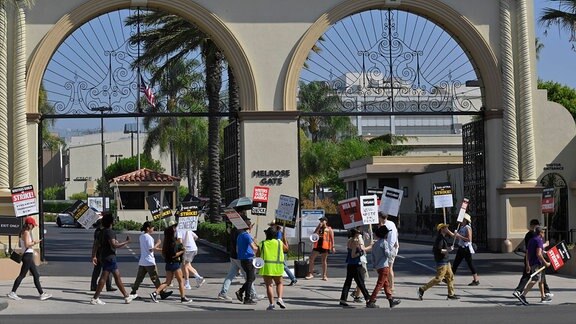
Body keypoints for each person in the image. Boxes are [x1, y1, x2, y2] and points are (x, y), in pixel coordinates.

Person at [90, 213, 135, 305]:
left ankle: (126, 296)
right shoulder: (110, 232)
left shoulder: (101, 231)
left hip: (103, 256)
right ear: (111, 222)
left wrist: (94, 256)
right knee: (104, 277)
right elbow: (114, 245)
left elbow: (96, 244)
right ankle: (95, 298)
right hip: (110, 257)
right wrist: (127, 242)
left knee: (116, 276)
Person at [7, 217, 52, 301]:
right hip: (27, 256)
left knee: (36, 275)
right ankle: (12, 292)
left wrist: (33, 243)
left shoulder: (23, 232)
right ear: (29, 225)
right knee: (22, 275)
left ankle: (42, 294)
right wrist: (35, 242)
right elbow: (27, 244)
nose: (33, 227)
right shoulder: (26, 232)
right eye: (33, 225)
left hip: (28, 255)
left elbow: (23, 245)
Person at [218, 216, 261, 301]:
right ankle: (252, 294)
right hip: (241, 257)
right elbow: (249, 246)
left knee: (230, 275)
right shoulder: (242, 233)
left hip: (233, 255)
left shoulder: (234, 230)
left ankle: (223, 293)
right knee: (249, 276)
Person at [128, 221, 172, 300]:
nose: (153, 229)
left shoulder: (141, 236)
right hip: (150, 261)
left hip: (143, 261)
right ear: (148, 228)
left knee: (139, 278)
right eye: (152, 228)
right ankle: (161, 293)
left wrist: (160, 248)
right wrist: (158, 243)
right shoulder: (149, 237)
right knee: (155, 278)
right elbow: (151, 249)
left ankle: (133, 292)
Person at [150, 224, 193, 304]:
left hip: (168, 264)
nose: (175, 231)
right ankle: (183, 297)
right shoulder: (172, 243)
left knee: (168, 282)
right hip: (175, 264)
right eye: (174, 230)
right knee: (181, 281)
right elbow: (174, 254)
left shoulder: (166, 242)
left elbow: (164, 253)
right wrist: (182, 251)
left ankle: (155, 293)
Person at [513, 219, 552, 305]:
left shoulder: (532, 240)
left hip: (532, 262)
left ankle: (543, 296)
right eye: (543, 232)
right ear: (540, 233)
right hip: (537, 263)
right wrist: (546, 262)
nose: (544, 233)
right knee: (535, 279)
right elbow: (539, 254)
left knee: (541, 280)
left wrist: (527, 264)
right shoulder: (538, 240)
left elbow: (527, 252)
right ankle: (523, 295)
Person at [417, 223, 460, 301]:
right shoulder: (440, 239)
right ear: (441, 229)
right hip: (442, 262)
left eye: (447, 227)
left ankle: (451, 294)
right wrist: (448, 250)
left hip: (446, 261)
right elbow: (439, 250)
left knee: (450, 277)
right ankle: (422, 289)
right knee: (439, 279)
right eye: (445, 227)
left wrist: (454, 235)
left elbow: (453, 237)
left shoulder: (443, 237)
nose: (447, 228)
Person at [338, 228, 376, 308]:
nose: (359, 234)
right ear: (355, 234)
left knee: (348, 282)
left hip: (350, 264)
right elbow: (353, 255)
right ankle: (368, 299)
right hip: (356, 264)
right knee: (360, 283)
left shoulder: (349, 240)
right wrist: (361, 253)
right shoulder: (355, 242)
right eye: (358, 233)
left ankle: (343, 299)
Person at [367, 225, 401, 308]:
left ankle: (390, 300)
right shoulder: (384, 243)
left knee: (386, 284)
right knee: (380, 284)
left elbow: (372, 256)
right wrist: (393, 250)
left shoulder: (375, 244)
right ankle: (371, 300)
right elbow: (388, 254)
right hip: (384, 266)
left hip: (378, 267)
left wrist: (374, 265)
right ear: (385, 234)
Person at [258, 226, 289, 310]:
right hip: (278, 266)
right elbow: (286, 249)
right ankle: (280, 298)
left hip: (266, 267)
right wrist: (284, 238)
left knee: (269, 285)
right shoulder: (279, 243)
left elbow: (257, 255)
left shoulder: (262, 243)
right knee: (279, 283)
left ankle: (271, 304)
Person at [451, 213, 480, 286]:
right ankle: (450, 278)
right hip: (461, 247)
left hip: (466, 248)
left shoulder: (468, 227)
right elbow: (459, 237)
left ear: (466, 220)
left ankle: (476, 280)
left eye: (463, 219)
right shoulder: (461, 227)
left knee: (470, 264)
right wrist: (455, 235)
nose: (461, 220)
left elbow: (469, 239)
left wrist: (459, 235)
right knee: (455, 264)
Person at [235, 219, 259, 305]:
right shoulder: (247, 235)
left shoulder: (240, 235)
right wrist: (256, 246)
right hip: (248, 258)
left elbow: (237, 248)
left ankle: (241, 291)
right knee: (250, 279)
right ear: (250, 227)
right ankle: (247, 298)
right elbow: (254, 247)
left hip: (242, 258)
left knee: (251, 278)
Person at [269, 221, 297, 286]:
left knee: (284, 266)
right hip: (278, 251)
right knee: (280, 265)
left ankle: (293, 279)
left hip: (280, 251)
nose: (271, 226)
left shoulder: (278, 233)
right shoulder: (277, 232)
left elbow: (278, 242)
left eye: (272, 225)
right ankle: (272, 279)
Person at [90, 219, 114, 292]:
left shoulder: (98, 231)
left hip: (99, 253)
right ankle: (108, 286)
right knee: (107, 269)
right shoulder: (100, 232)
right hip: (102, 253)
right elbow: (97, 244)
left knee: (97, 270)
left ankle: (94, 285)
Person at [379, 212, 399, 291]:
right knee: (387, 268)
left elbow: (389, 239)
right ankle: (388, 286)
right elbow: (396, 234)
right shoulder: (392, 223)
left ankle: (391, 286)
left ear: (380, 217)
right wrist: (397, 242)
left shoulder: (385, 226)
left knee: (389, 268)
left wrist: (387, 250)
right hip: (393, 248)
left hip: (390, 249)